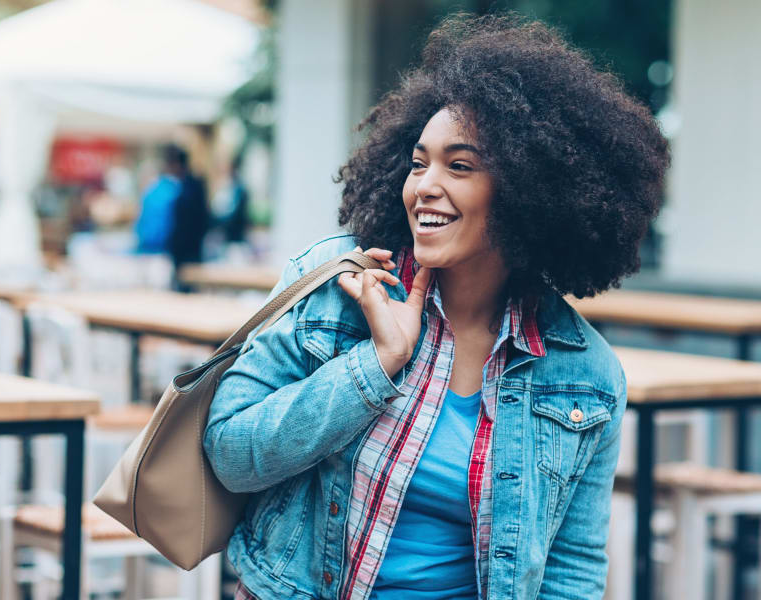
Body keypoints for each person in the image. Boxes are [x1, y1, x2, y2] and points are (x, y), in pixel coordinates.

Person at [203, 14, 668, 600]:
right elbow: (230, 453)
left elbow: (570, 569)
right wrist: (373, 366)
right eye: (419, 162)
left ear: (531, 191)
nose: (424, 186)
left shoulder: (585, 375)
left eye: (461, 165)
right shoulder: (336, 288)